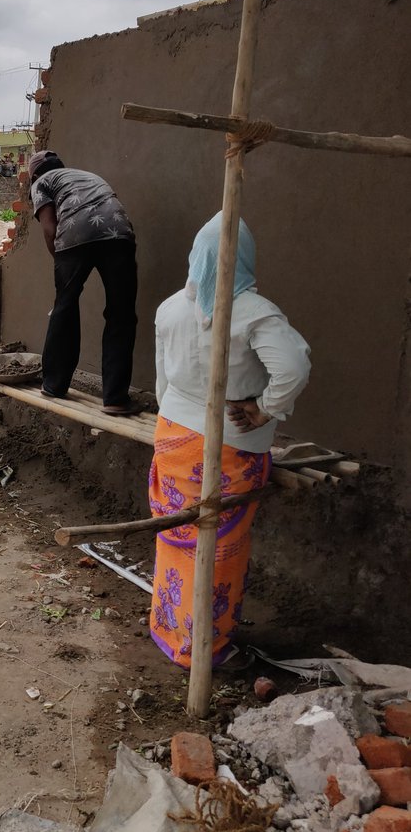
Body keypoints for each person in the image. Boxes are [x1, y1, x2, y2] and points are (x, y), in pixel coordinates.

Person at [150, 212, 311, 669]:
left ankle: (168, 627)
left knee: (176, 535)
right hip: (229, 446)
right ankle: (207, 647)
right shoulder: (256, 313)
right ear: (243, 259)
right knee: (219, 548)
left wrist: (176, 419)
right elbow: (294, 367)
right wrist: (264, 407)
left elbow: (163, 382)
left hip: (174, 438)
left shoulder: (170, 308)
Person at [28, 150, 138, 415]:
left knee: (64, 307)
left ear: (34, 175)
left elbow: (50, 229)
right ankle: (115, 398)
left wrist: (63, 267)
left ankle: (54, 385)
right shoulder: (88, 176)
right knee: (121, 314)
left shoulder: (41, 183)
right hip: (119, 232)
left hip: (76, 233)